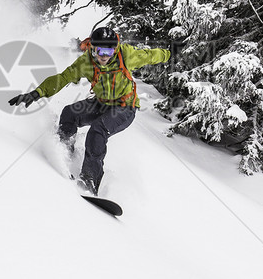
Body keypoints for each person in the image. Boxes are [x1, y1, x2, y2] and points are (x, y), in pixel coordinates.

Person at [9, 24, 170, 195]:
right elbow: (62, 78)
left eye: (108, 52)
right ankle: (65, 151)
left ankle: (90, 180)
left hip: (125, 108)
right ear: (92, 49)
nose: (103, 57)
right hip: (101, 103)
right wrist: (37, 93)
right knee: (69, 114)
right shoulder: (86, 62)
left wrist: (168, 53)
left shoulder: (126, 55)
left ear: (114, 50)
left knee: (98, 130)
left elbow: (151, 56)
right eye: (99, 52)